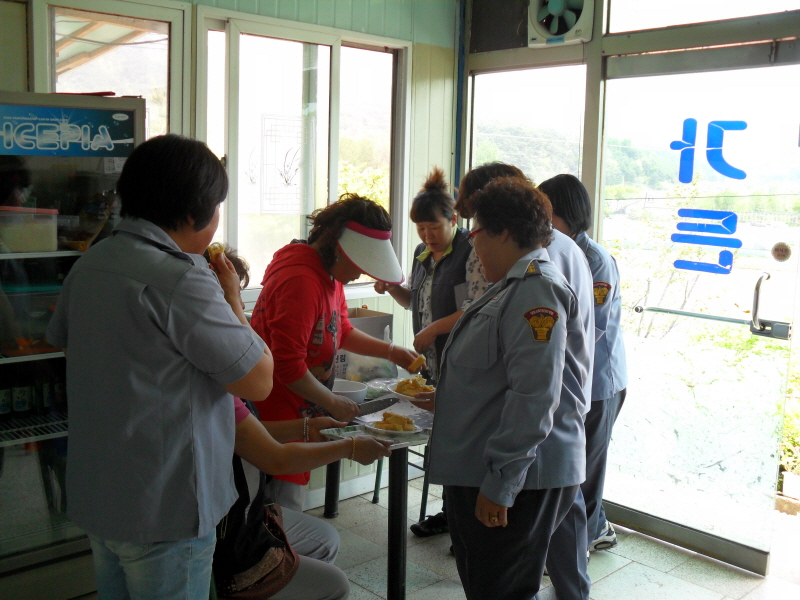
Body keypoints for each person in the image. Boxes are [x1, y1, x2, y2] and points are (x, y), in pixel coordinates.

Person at [45, 134, 274, 600]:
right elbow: (258, 380)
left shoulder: (91, 263)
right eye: (216, 208)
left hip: (103, 496)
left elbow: (79, 352)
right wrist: (233, 299)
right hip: (167, 507)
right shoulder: (181, 278)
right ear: (193, 214)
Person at [418, 176, 591, 599]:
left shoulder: (537, 291)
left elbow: (535, 396)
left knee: (502, 589)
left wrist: (501, 483)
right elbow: (498, 376)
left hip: (521, 478)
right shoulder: (507, 288)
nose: (471, 242)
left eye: (476, 231)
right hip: (490, 467)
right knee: (487, 584)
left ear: (504, 233)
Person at [208, 245, 393, 600]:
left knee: (326, 540)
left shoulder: (223, 375)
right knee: (334, 584)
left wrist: (308, 427)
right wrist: (350, 447)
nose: (244, 314)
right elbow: (274, 456)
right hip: (228, 529)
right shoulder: (217, 377)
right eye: (234, 302)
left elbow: (246, 434)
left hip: (244, 511)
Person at [250, 193, 419, 511]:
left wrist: (391, 351)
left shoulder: (330, 274)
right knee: (279, 513)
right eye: (359, 263)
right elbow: (287, 366)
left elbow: (341, 330)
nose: (362, 273)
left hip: (301, 411)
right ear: (339, 248)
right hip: (277, 416)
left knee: (286, 510)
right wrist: (332, 402)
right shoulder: (301, 280)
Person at [373, 167, 490, 538]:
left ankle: (463, 521)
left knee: (461, 442)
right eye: (421, 229)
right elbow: (414, 302)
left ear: (453, 220)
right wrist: (391, 288)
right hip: (433, 366)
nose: (427, 236)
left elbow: (474, 308)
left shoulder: (471, 251)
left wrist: (434, 329)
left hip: (461, 360)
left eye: (434, 227)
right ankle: (452, 514)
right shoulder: (421, 253)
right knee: (445, 441)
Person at [539, 174, 628, 552]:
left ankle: (581, 549)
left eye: (548, 214)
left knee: (586, 472)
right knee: (574, 466)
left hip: (598, 384)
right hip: (570, 378)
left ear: (568, 215)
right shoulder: (552, 250)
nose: (542, 222)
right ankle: (596, 529)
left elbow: (593, 329)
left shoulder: (596, 261)